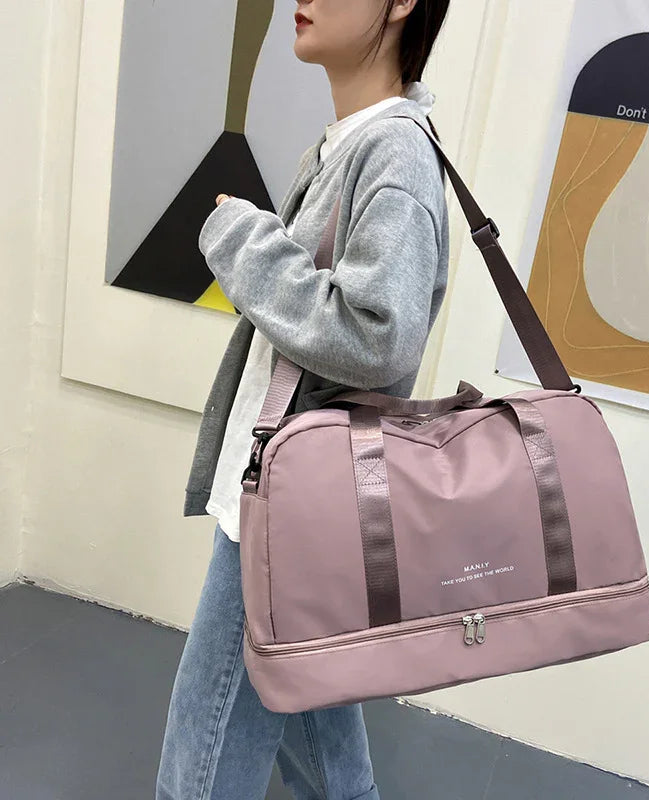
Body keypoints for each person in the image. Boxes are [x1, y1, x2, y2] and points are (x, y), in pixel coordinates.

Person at [156, 1, 451, 798]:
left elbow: (375, 335)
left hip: (287, 517)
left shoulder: (394, 153)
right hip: (289, 496)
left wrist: (242, 238)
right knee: (326, 750)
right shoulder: (353, 142)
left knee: (202, 769)